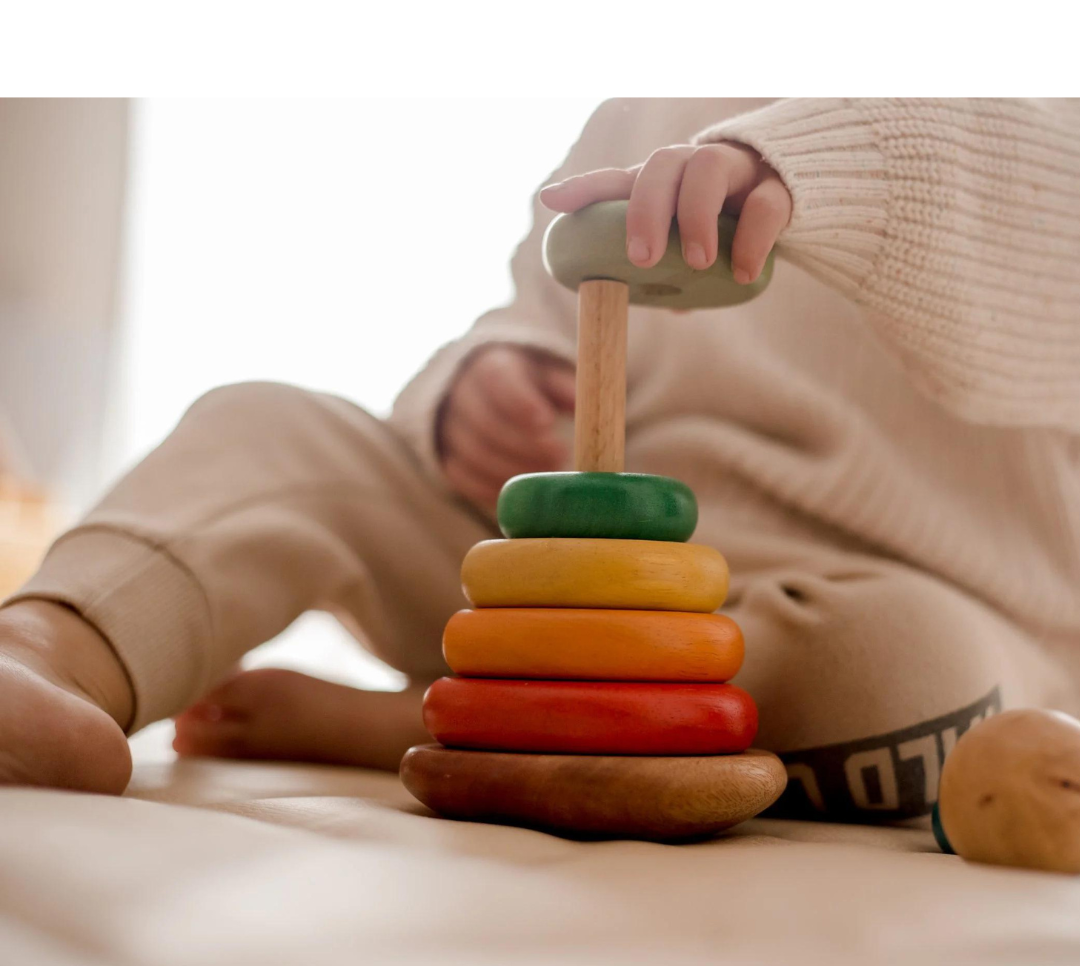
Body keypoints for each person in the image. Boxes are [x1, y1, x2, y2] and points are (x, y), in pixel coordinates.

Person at [1, 97, 1078, 821]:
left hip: (860, 611)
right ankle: (57, 650)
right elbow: (536, 306)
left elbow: (1041, 227)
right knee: (269, 430)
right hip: (565, 584)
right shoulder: (646, 101)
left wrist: (813, 164)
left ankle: (426, 720)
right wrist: (477, 390)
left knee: (897, 671)